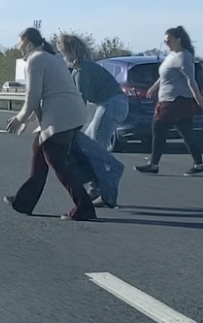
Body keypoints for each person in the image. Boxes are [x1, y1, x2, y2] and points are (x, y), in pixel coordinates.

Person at [3, 27, 96, 221]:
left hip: (61, 116)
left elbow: (33, 97)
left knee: (58, 162)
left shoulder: (35, 60)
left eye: (19, 42)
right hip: (71, 112)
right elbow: (41, 97)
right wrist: (27, 120)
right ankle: (23, 202)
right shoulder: (51, 57)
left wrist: (20, 118)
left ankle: (84, 207)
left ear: (28, 43)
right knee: (39, 150)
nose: (18, 46)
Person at [57, 34, 129, 204]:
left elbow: (79, 102)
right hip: (113, 104)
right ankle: (96, 188)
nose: (61, 56)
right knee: (89, 145)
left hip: (112, 104)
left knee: (96, 147)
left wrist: (69, 125)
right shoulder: (81, 69)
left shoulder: (82, 72)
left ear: (69, 52)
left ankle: (105, 188)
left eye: (62, 52)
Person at [134, 26, 203, 176]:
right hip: (169, 100)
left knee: (158, 129)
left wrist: (199, 100)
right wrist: (154, 88)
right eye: (165, 41)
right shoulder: (172, 55)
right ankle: (198, 164)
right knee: (186, 133)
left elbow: (191, 80)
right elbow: (164, 75)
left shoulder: (183, 57)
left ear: (178, 40)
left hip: (175, 102)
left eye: (169, 41)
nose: (167, 44)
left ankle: (154, 164)